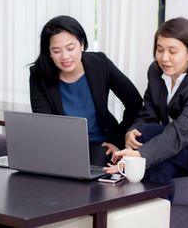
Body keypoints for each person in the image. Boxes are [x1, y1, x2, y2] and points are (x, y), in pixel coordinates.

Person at [104, 17, 188, 200]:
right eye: (159, 49)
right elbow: (148, 113)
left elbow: (180, 132)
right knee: (156, 162)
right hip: (181, 143)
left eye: (172, 51)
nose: (164, 57)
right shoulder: (156, 72)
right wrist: (131, 132)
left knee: (149, 137)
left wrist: (139, 155)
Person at [29, 15, 143, 166]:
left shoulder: (100, 64)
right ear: (49, 52)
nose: (65, 57)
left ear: (82, 44)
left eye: (71, 48)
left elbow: (134, 102)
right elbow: (45, 125)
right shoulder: (39, 75)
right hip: (60, 147)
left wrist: (118, 140)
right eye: (56, 51)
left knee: (89, 172)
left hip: (100, 144)